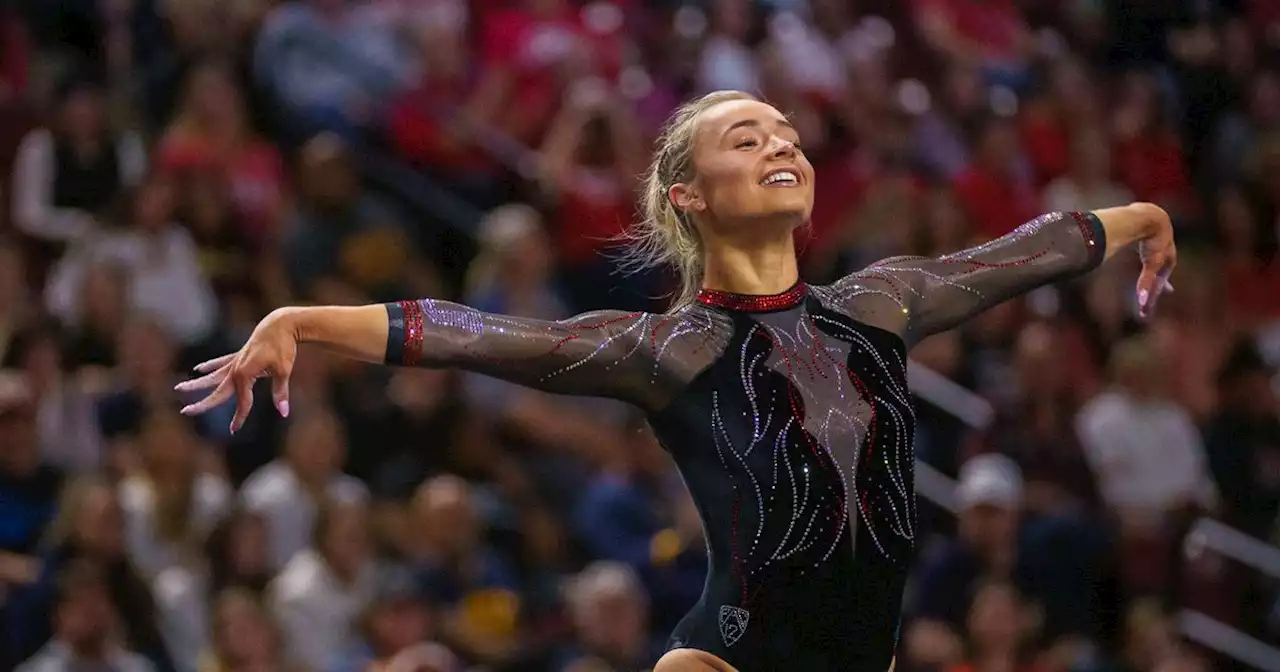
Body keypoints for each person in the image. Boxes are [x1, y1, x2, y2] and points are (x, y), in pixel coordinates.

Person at [177, 91, 1178, 671]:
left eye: (784, 132)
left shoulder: (883, 300)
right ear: (691, 197)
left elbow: (1017, 254)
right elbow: (483, 333)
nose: (780, 143)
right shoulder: (671, 349)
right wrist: (301, 320)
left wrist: (1133, 220)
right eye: (746, 139)